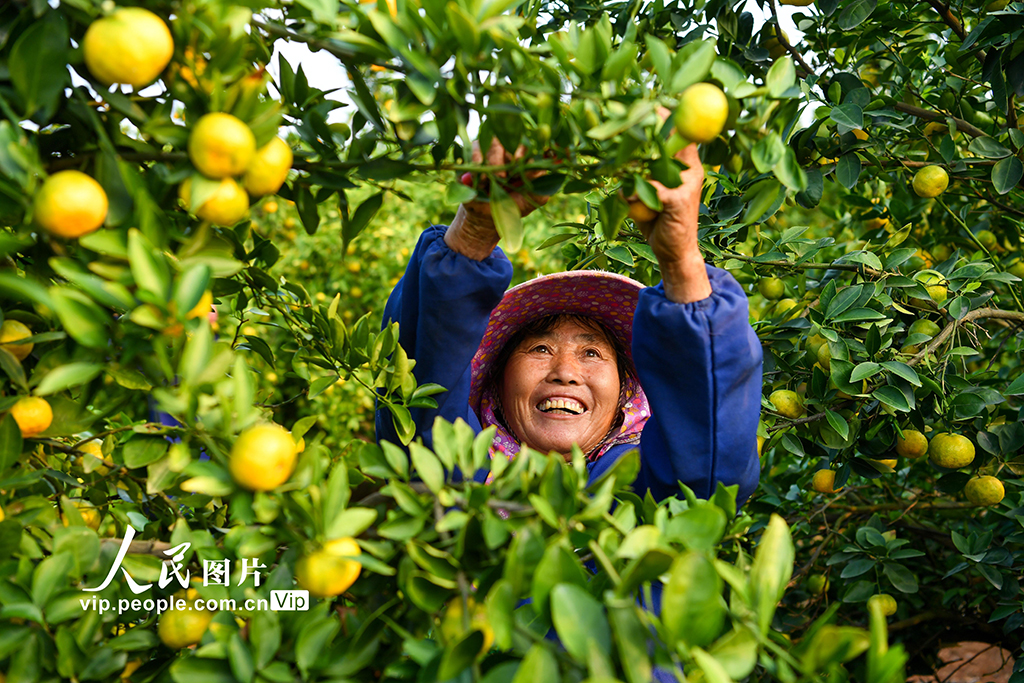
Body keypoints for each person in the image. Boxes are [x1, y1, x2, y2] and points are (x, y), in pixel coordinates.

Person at [375, 137, 762, 506]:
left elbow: (707, 465)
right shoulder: (449, 470)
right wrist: (475, 229)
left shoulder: (639, 491)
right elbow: (423, 389)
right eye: (540, 348)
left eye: (591, 353)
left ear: (624, 393)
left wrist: (679, 258)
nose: (565, 373)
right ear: (498, 382)